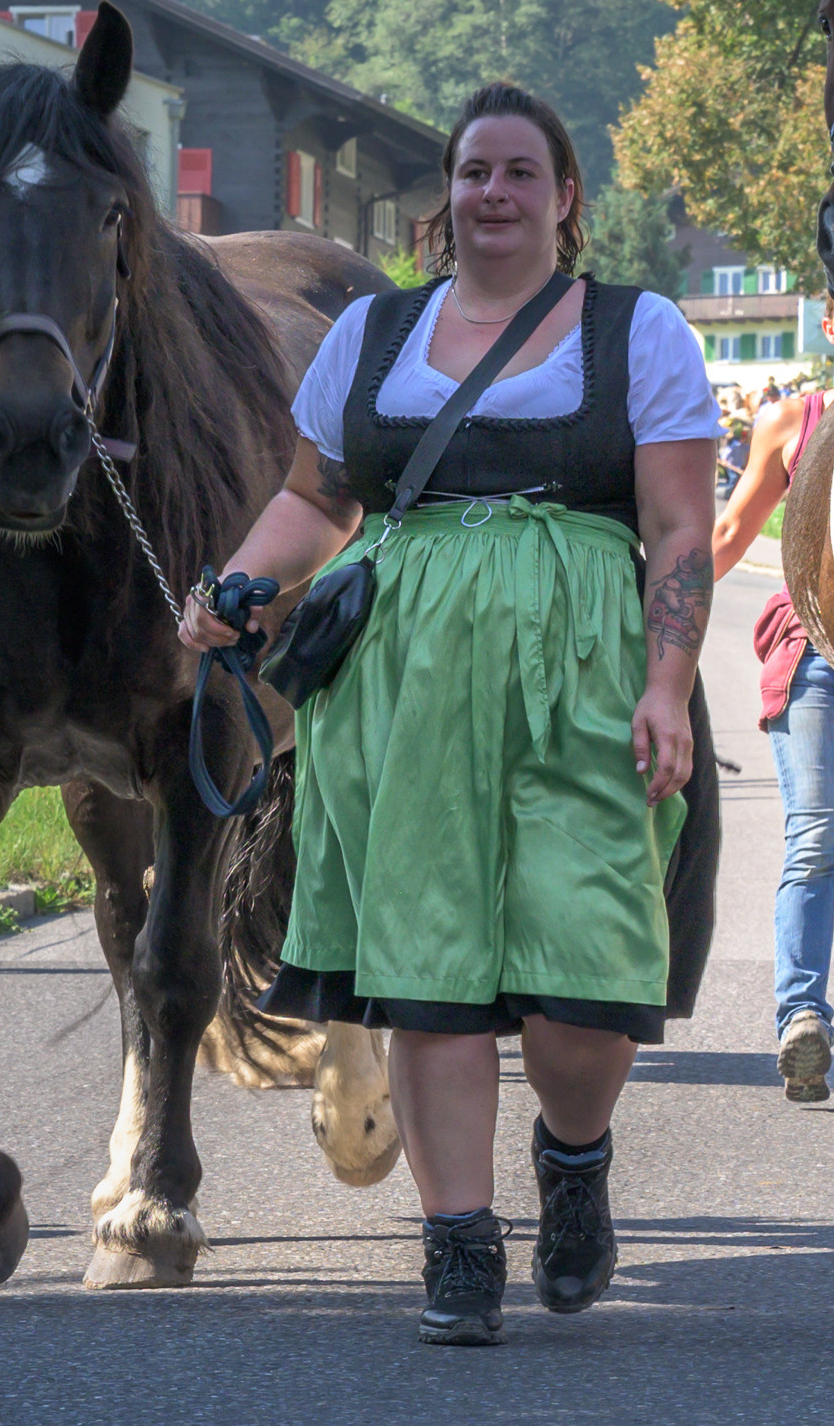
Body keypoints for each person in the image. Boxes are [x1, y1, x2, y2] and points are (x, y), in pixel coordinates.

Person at [178, 82, 716, 1347]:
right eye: (475, 171)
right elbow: (316, 501)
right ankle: (459, 1241)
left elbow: (681, 528)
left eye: (521, 172)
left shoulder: (639, 332)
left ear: (565, 198)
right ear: (448, 195)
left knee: (587, 966)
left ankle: (572, 1160)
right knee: (427, 974)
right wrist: (244, 584)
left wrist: (667, 683)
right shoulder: (373, 336)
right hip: (403, 681)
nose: (494, 193)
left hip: (583, 666)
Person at [709, 301, 834, 1103]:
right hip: (816, 654)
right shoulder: (789, 419)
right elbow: (728, 535)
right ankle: (801, 1017)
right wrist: (645, 610)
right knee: (815, 840)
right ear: (828, 318)